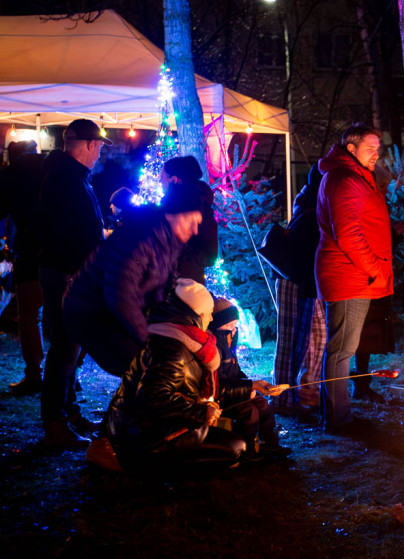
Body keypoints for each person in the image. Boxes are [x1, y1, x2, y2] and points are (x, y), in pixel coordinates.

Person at [99, 280, 249, 474]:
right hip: (146, 435)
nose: (211, 319)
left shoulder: (181, 338)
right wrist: (200, 412)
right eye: (208, 313)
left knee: (233, 442)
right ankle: (147, 468)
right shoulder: (170, 348)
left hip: (152, 426)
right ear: (195, 314)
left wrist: (247, 388)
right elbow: (152, 396)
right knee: (235, 448)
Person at [63, 182, 203, 379]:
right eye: (191, 221)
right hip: (90, 312)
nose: (195, 230)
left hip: (113, 312)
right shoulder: (139, 236)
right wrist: (147, 339)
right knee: (144, 365)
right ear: (173, 215)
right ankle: (130, 408)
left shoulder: (168, 241)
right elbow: (120, 294)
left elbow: (163, 290)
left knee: (156, 360)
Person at [315, 124, 393, 433]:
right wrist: (374, 268)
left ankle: (334, 414)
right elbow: (348, 234)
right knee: (342, 349)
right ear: (351, 148)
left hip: (352, 274)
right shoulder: (346, 180)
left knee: (342, 347)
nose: (376, 154)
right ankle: (338, 419)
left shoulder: (354, 177)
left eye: (378, 149)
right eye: (370, 148)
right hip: (349, 275)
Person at [37, 119, 110, 448]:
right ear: (89, 144)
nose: (100, 152)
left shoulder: (70, 175)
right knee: (65, 347)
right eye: (99, 146)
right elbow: (70, 230)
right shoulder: (67, 179)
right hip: (66, 270)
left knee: (71, 345)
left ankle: (68, 411)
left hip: (68, 268)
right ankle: (55, 422)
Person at [272, 166, 327, 417]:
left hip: (297, 281)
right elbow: (308, 253)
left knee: (308, 340)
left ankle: (301, 394)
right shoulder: (312, 212)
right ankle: (288, 397)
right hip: (298, 282)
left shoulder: (306, 203)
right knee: (299, 341)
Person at [210, 297, 290, 459]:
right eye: (227, 326)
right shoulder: (214, 347)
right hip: (221, 397)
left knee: (262, 405)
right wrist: (248, 388)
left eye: (235, 325)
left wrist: (250, 386)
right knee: (249, 411)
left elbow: (235, 372)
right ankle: (247, 450)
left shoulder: (227, 342)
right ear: (217, 325)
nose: (233, 330)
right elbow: (217, 384)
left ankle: (270, 444)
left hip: (235, 391)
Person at [0, 140, 46, 395]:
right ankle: (70, 374)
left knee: (30, 317)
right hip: (61, 251)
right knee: (65, 316)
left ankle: (34, 375)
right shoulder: (52, 171)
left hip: (30, 252)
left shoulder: (11, 177)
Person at [161, 155, 218, 285]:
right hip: (188, 278)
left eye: (162, 177)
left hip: (181, 280)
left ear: (174, 180)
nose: (160, 182)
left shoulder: (182, 205)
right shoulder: (199, 202)